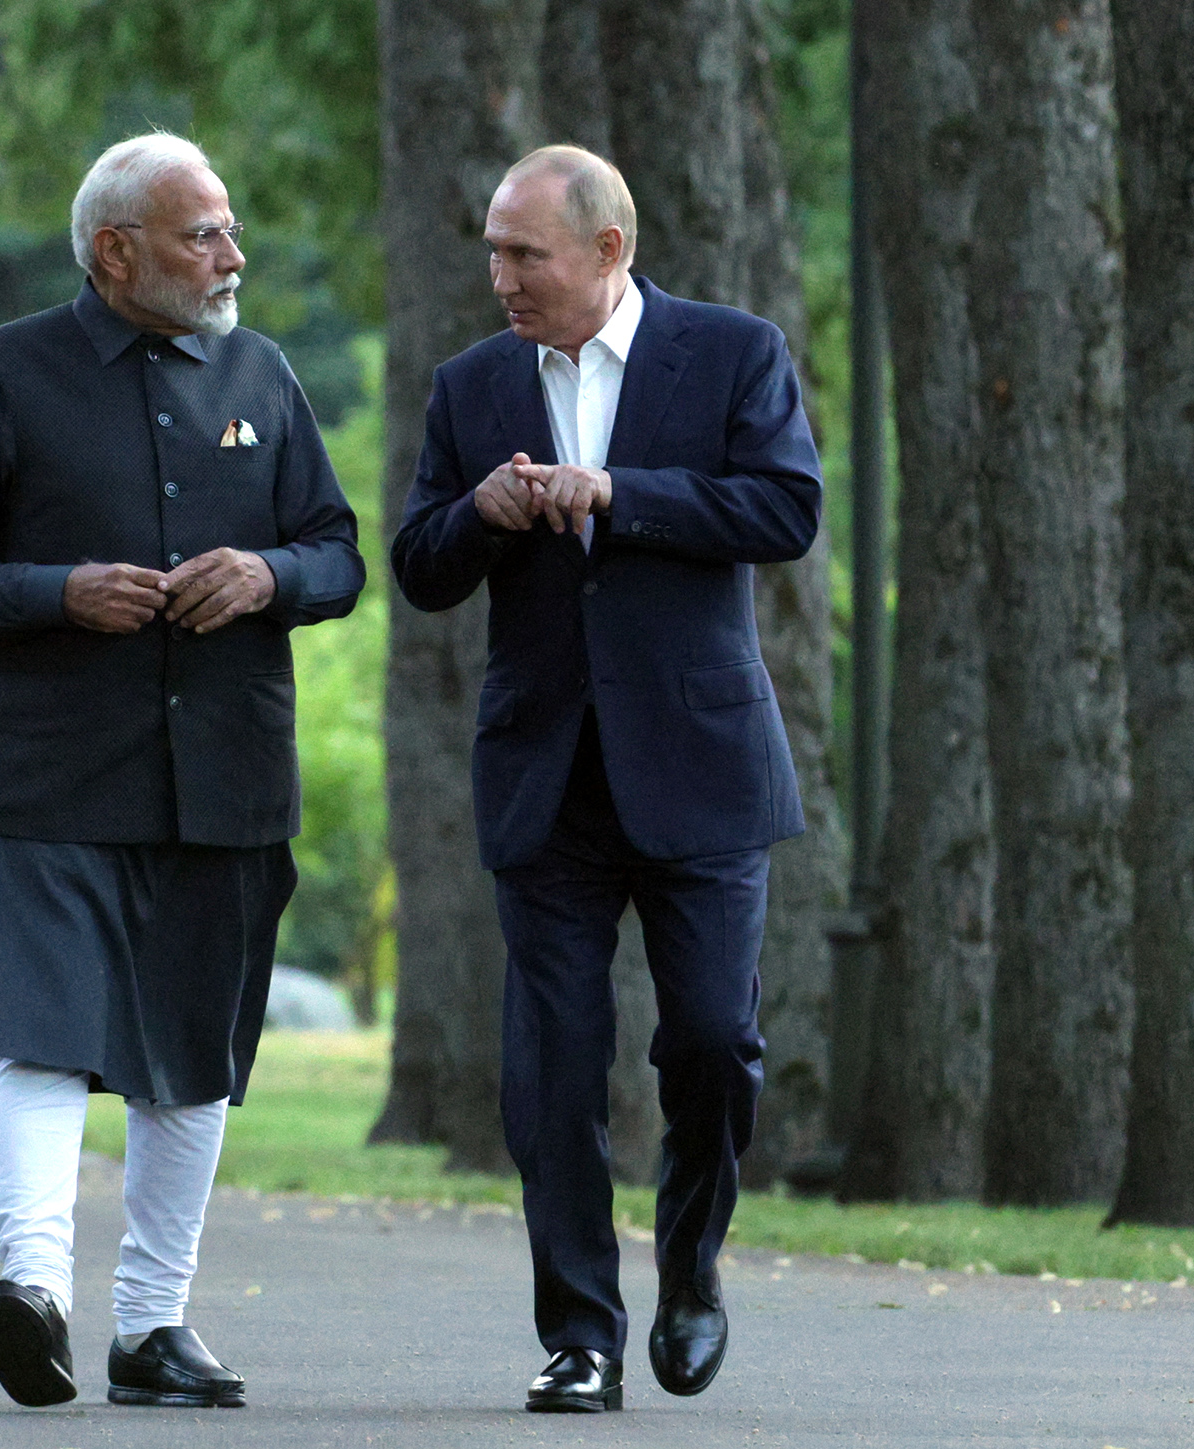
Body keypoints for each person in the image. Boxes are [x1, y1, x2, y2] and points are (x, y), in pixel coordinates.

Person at [0, 132, 365, 1410]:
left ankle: (153, 1331)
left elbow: (338, 552)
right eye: (201, 232)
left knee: (190, 1053)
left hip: (224, 777)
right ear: (117, 250)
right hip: (53, 780)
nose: (231, 254)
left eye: (228, 228)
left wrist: (270, 575)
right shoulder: (8, 374)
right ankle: (32, 1292)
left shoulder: (261, 371)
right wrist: (58, 593)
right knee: (40, 1033)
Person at [391, 144, 822, 1413]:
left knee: (709, 1043)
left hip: (698, 766)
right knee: (554, 1071)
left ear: (608, 251)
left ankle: (691, 1271)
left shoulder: (732, 352)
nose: (499, 275)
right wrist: (482, 511)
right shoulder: (471, 384)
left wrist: (617, 493)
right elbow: (420, 564)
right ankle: (580, 1334)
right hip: (545, 777)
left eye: (523, 253)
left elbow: (784, 511)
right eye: (490, 249)